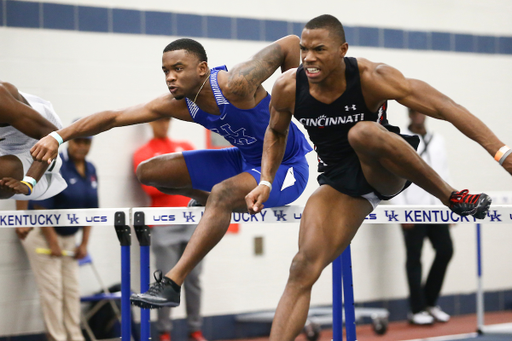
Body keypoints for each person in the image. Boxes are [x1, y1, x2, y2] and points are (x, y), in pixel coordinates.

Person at [245, 14, 511, 341]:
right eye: (303, 49)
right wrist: (266, 181)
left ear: (342, 49)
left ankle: (451, 197)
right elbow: (275, 132)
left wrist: (500, 153)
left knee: (363, 132)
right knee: (301, 268)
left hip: (384, 165)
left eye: (319, 49)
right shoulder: (289, 86)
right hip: (341, 181)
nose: (308, 58)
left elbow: (445, 105)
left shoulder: (372, 77)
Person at [30, 35, 312, 308]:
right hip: (242, 159)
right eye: (165, 71)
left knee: (223, 194)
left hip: (286, 168)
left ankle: (172, 283)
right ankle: (203, 196)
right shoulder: (181, 105)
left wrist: (292, 102)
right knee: (149, 171)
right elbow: (115, 117)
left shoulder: (236, 84)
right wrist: (58, 137)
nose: (170, 77)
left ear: (202, 69)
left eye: (178, 69)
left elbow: (289, 43)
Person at [133, 117, 207, 341]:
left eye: (166, 120)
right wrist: (183, 177)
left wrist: (169, 178)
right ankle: (164, 332)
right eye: (159, 120)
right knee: (165, 281)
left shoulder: (184, 147)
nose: (163, 124)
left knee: (194, 279)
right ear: (150, 124)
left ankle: (195, 329)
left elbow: (200, 176)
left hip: (192, 223)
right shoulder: (143, 153)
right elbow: (151, 188)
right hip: (164, 225)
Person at [19, 134, 98, 341]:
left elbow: (92, 211)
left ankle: (74, 335)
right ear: (70, 142)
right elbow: (40, 206)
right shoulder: (56, 164)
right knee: (53, 292)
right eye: (78, 141)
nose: (82, 146)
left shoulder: (90, 170)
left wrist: (85, 244)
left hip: (69, 237)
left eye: (87, 142)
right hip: (43, 235)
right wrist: (52, 242)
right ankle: (58, 337)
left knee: (72, 290)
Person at [392, 109, 453, 325]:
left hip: (436, 209)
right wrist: (402, 212)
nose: (417, 116)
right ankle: (416, 309)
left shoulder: (438, 140)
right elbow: (396, 176)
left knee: (446, 250)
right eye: (413, 112)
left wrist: (450, 206)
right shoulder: (400, 140)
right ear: (408, 115)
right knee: (414, 258)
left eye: (420, 112)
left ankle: (430, 302)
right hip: (412, 210)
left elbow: (444, 173)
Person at [0, 81, 67, 215]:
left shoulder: (2, 102)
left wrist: (29, 182)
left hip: (43, 135)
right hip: (8, 142)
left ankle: (51, 171)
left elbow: (51, 135)